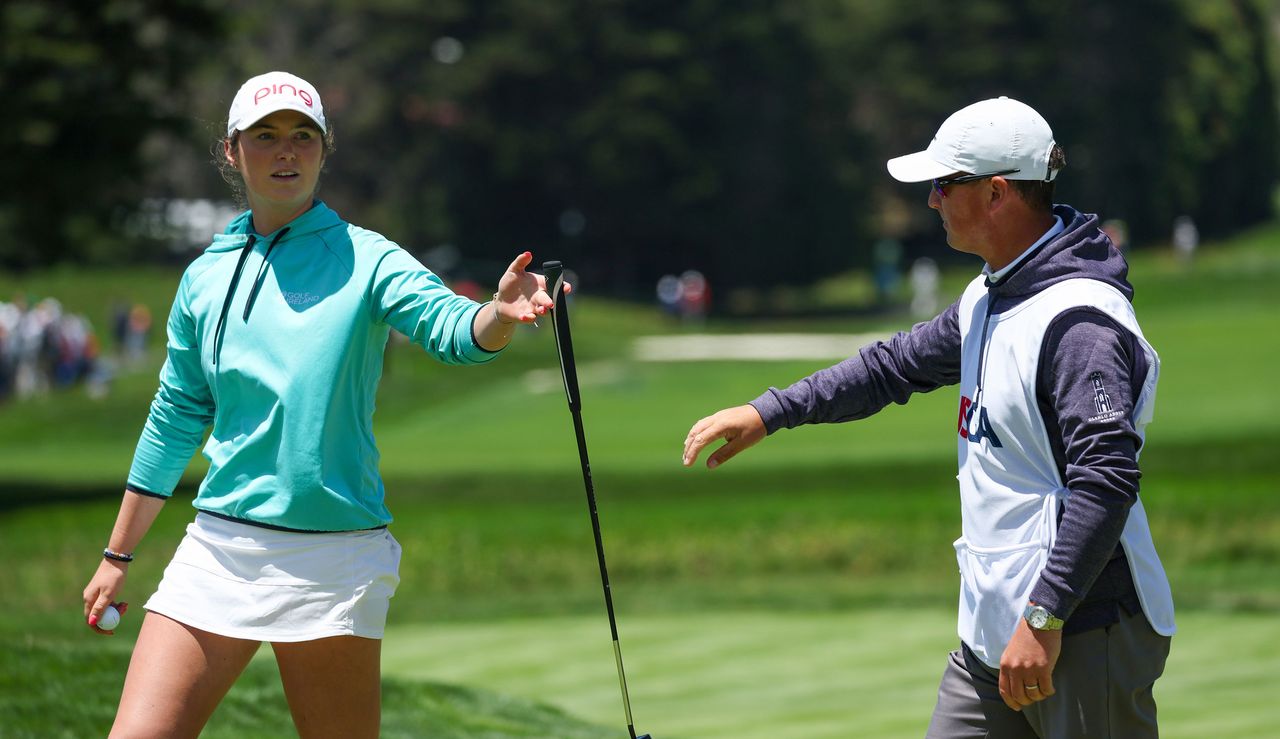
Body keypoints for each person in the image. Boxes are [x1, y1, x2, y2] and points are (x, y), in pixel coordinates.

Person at [81, 71, 563, 738]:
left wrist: (498, 315)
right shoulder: (204, 275)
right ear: (231, 151)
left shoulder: (367, 258)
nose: (286, 151)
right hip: (221, 545)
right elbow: (176, 416)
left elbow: (451, 330)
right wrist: (118, 553)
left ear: (324, 150)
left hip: (332, 557)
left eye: (303, 136)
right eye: (266, 136)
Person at [682, 97, 1175, 738]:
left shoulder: (1080, 322)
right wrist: (769, 412)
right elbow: (891, 367)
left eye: (945, 184)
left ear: (997, 193)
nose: (932, 200)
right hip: (995, 627)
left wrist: (1046, 617)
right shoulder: (991, 295)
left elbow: (1105, 482)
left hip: (1081, 626)